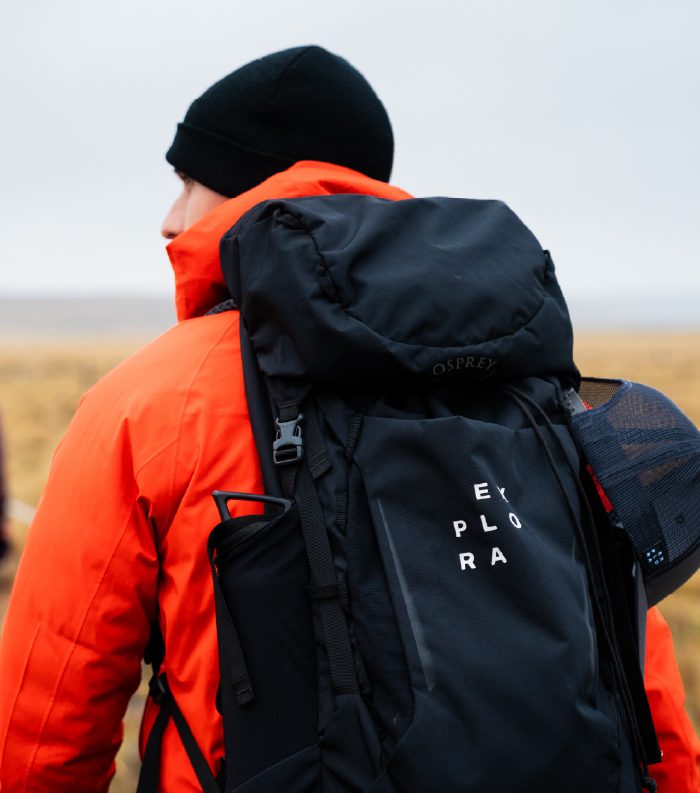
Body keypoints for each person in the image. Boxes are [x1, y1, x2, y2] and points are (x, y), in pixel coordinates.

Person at [0, 45, 698, 793]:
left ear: (248, 185)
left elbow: (43, 733)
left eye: (186, 181)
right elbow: (636, 676)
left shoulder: (149, 399)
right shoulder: (530, 380)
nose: (170, 219)